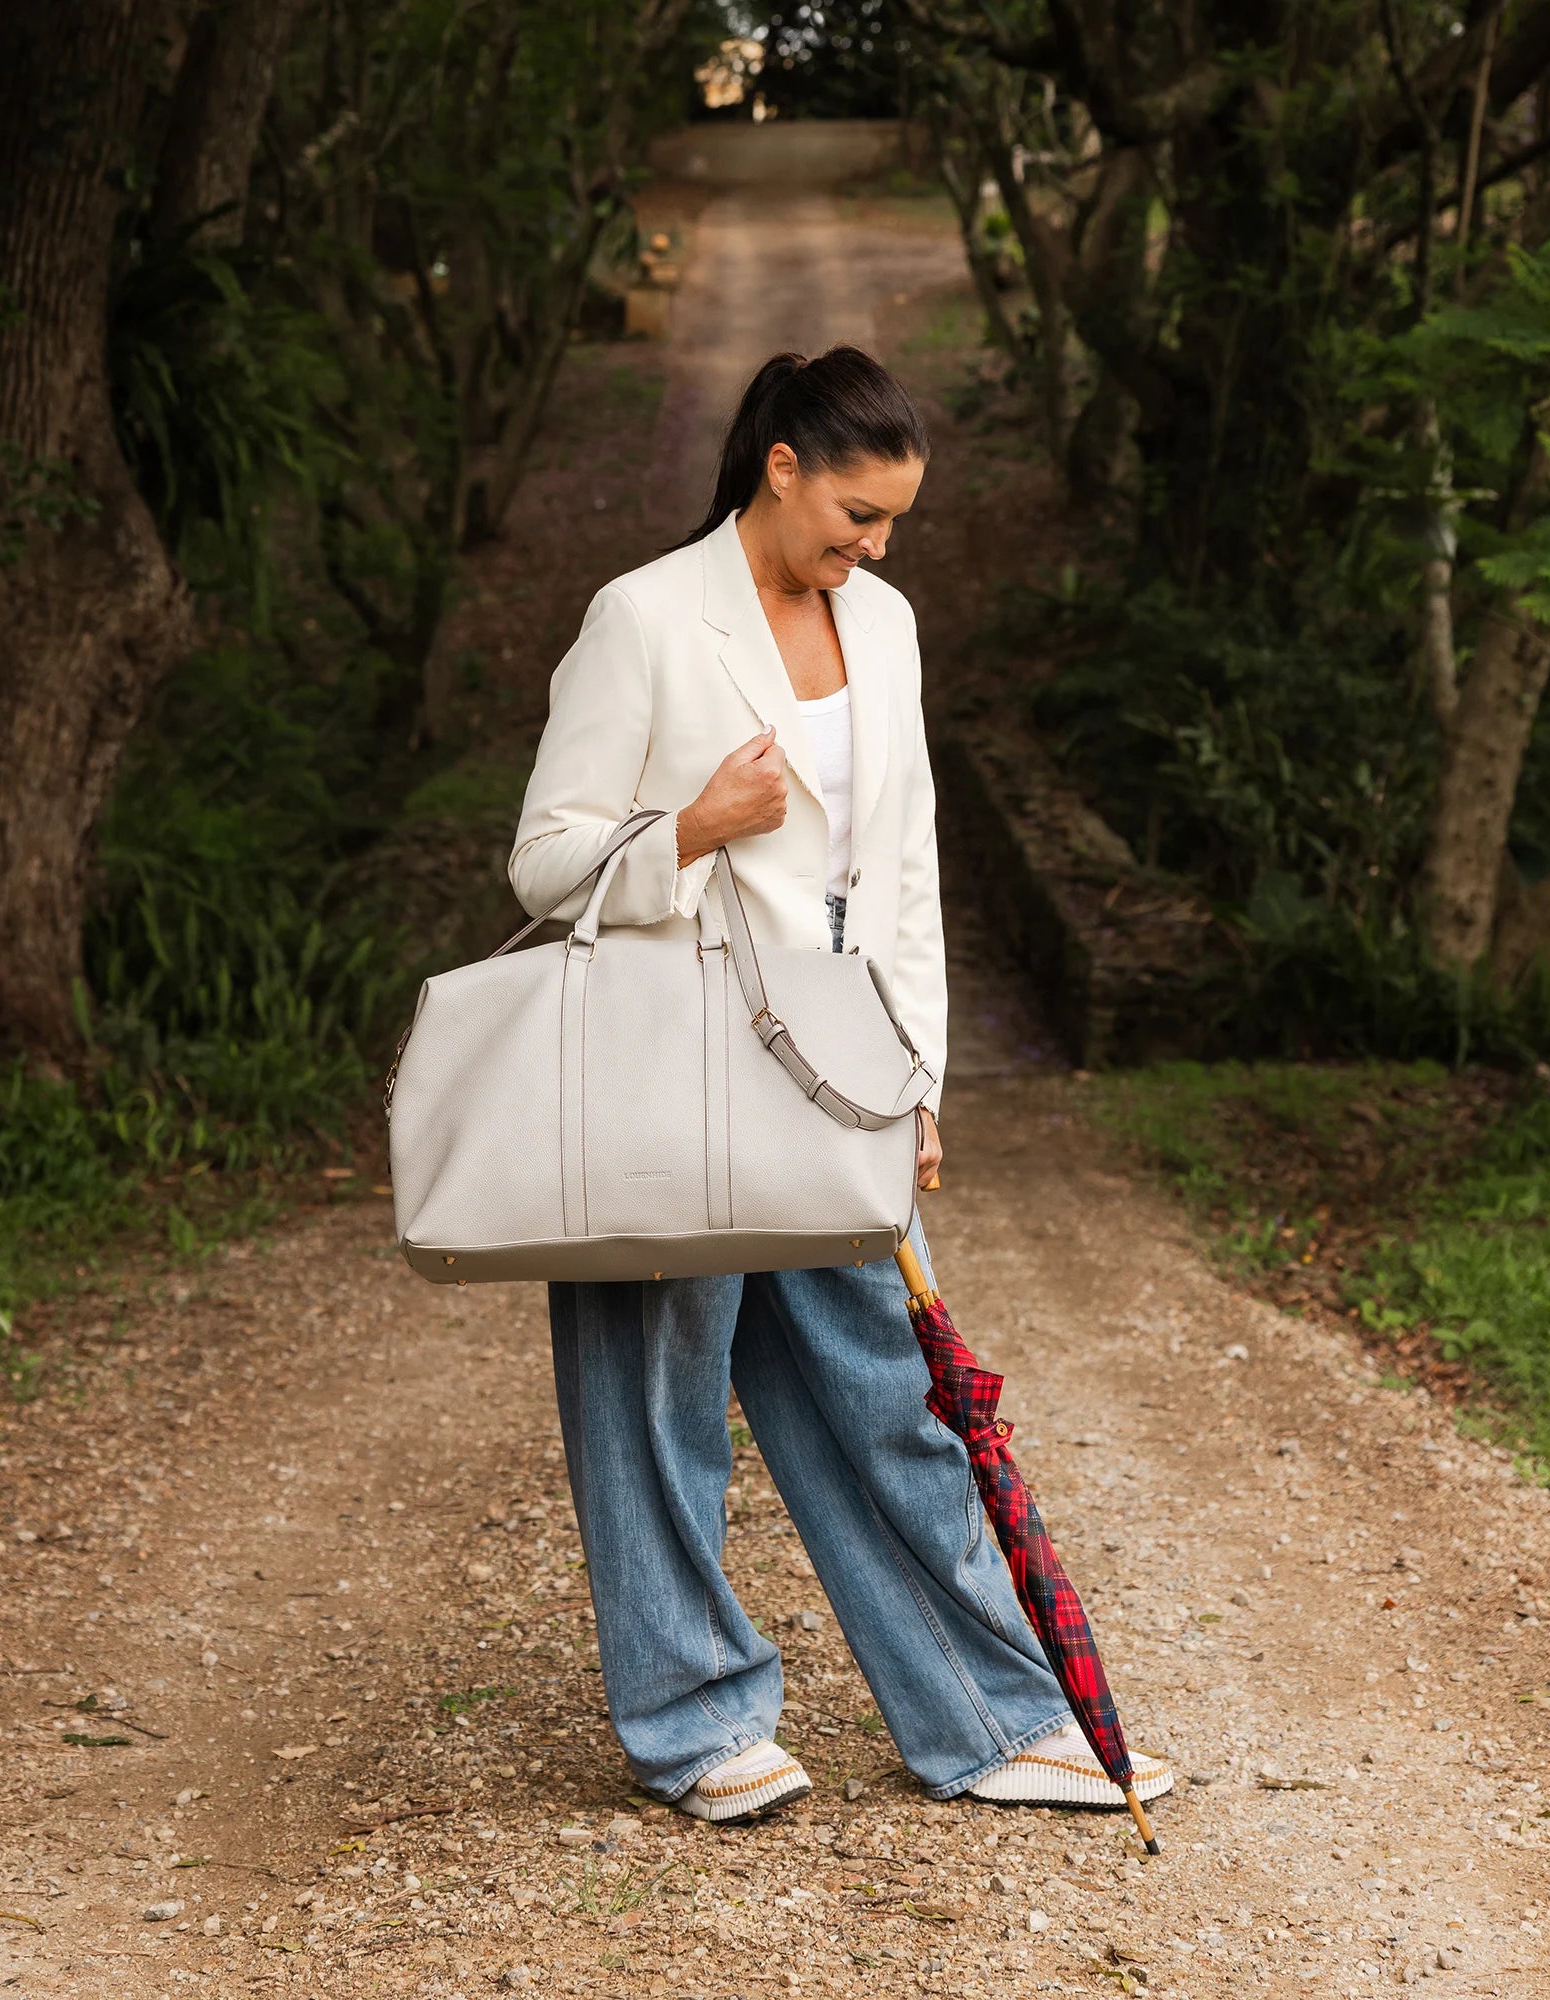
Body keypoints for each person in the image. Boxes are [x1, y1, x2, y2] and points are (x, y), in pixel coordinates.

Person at [509, 346, 1171, 1822]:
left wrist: (919, 1079)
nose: (873, 549)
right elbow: (543, 864)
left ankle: (995, 1717)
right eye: (857, 514)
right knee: (657, 1392)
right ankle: (694, 1723)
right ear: (783, 465)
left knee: (895, 1391)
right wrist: (691, 825)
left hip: (840, 1073)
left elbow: (911, 868)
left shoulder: (888, 625)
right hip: (665, 1073)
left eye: (895, 526)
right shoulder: (643, 619)